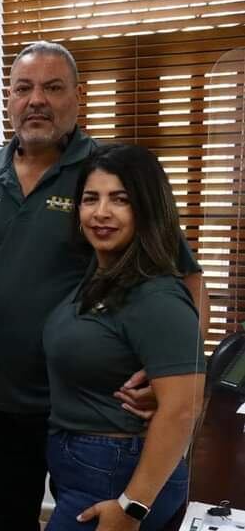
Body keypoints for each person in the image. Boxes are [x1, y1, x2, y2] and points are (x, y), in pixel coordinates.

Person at [0, 41, 204, 531]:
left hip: (85, 408)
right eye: (24, 88)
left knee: (87, 519)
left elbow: (185, 274)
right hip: (2, 398)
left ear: (79, 97)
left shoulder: (105, 175)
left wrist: (175, 380)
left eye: (53, 88)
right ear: (8, 98)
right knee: (7, 520)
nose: (37, 100)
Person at [43, 143, 205, 531]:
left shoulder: (156, 295)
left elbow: (183, 408)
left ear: (147, 209)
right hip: (86, 466)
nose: (101, 213)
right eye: (90, 199)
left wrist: (131, 508)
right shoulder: (100, 276)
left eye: (121, 199)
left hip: (117, 472)